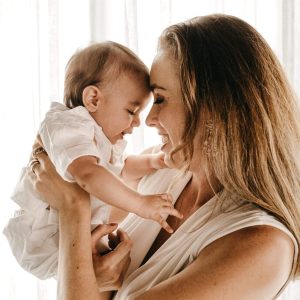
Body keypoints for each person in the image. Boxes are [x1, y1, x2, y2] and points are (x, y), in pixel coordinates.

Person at [7, 13, 300, 299]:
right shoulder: (159, 176)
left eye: (159, 99)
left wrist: (73, 207)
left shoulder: (261, 245)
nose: (148, 120)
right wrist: (96, 276)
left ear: (213, 107)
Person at [3, 41, 182, 280]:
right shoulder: (68, 125)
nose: (139, 122)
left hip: (73, 229)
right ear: (93, 99)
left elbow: (118, 169)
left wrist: (153, 162)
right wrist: (140, 204)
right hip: (45, 235)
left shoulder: (96, 138)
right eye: (131, 111)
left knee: (114, 270)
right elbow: (89, 175)